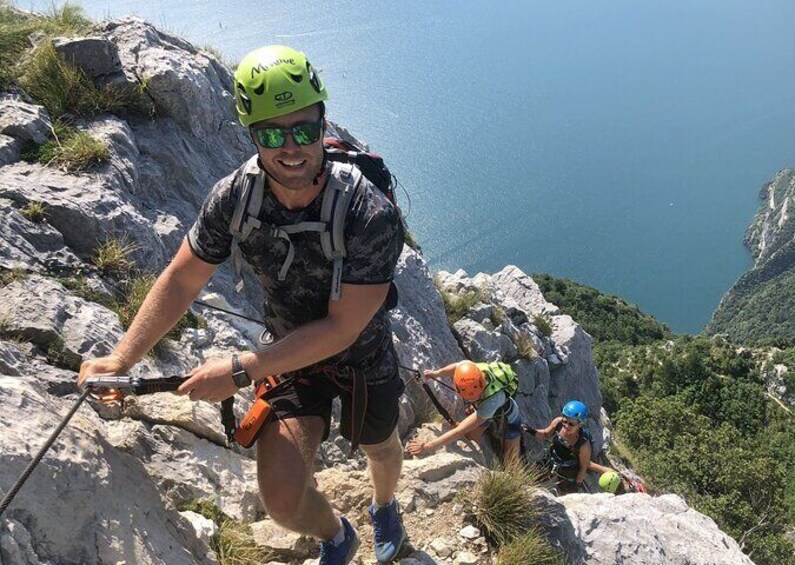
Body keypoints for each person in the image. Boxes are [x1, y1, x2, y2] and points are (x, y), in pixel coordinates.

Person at [76, 45, 406, 565]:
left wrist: (240, 369)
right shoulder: (235, 198)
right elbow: (183, 279)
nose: (292, 147)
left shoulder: (367, 211)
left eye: (304, 129)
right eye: (273, 134)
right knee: (280, 499)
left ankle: (385, 505)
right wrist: (122, 359)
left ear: (323, 121)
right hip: (289, 356)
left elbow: (343, 328)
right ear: (251, 134)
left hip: (361, 354)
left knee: (381, 447)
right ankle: (337, 534)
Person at [406, 360, 523, 464]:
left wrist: (428, 446)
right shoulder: (470, 369)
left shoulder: (491, 402)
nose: (471, 399)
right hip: (485, 410)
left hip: (509, 417)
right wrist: (435, 374)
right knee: (469, 439)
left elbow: (460, 429)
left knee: (511, 463)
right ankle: (480, 459)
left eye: (475, 396)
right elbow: (456, 367)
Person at [528, 400, 594, 494]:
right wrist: (532, 431)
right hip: (551, 460)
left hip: (568, 472)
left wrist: (577, 483)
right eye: (565, 421)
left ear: (580, 424)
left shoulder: (583, 445)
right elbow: (546, 434)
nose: (566, 426)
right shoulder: (558, 423)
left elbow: (583, 467)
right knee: (531, 479)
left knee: (566, 496)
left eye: (571, 424)